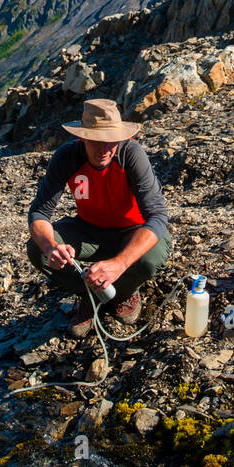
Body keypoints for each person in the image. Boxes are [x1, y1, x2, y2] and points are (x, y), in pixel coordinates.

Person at [26, 98, 171, 337]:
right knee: (37, 249)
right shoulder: (67, 157)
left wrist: (119, 264)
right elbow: (40, 212)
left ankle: (123, 292)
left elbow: (157, 216)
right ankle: (90, 294)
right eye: (96, 141)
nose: (104, 150)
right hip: (89, 229)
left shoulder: (131, 154)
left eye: (110, 141)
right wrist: (51, 247)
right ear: (82, 137)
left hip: (131, 231)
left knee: (151, 257)